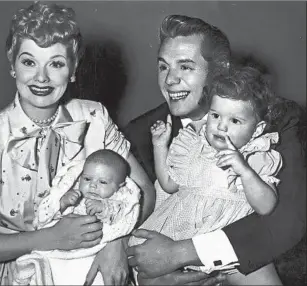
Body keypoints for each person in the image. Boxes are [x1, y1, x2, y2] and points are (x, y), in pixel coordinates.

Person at [0, 2, 155, 285]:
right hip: (11, 273)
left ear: (73, 69)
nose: (41, 77)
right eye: (29, 62)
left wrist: (114, 241)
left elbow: (145, 191)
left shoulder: (94, 116)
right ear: (12, 65)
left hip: (91, 263)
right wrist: (50, 238)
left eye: (56, 63)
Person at [125, 15, 306, 285]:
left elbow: (288, 221)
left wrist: (182, 253)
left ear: (218, 71)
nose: (170, 80)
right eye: (163, 67)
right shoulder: (141, 135)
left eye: (185, 67)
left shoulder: (278, 119)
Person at [129, 63, 284, 285]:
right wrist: (160, 146)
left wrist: (245, 171)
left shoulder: (254, 155)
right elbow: (169, 184)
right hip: (178, 236)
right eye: (215, 115)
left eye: (235, 121)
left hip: (228, 244)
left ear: (257, 130)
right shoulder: (193, 144)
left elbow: (266, 205)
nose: (221, 126)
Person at [14, 149, 141, 285]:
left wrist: (104, 208)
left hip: (92, 253)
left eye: (103, 182)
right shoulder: (76, 196)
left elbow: (122, 217)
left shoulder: (117, 200)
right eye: (87, 179)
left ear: (119, 187)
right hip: (60, 251)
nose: (93, 185)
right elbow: (47, 216)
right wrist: (62, 203)